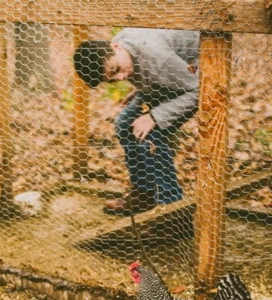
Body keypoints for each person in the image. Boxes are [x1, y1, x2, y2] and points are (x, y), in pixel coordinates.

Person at [73, 28, 200, 215]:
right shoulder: (121, 49)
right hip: (169, 79)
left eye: (115, 70)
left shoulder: (158, 57)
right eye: (112, 80)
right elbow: (148, 72)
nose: (121, 78)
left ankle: (173, 211)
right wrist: (142, 89)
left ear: (115, 46)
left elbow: (199, 90)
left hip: (196, 77)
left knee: (148, 133)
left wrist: (155, 117)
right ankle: (145, 194)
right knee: (125, 123)